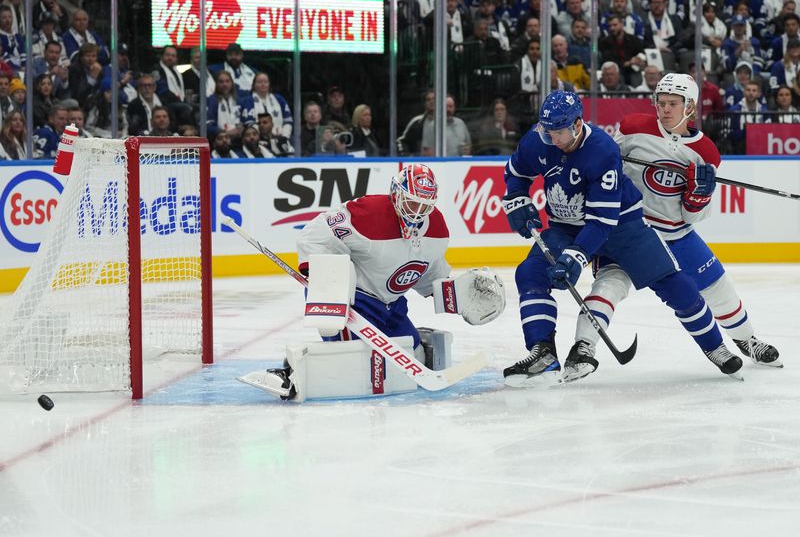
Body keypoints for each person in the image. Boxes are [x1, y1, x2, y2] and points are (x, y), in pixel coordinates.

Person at [501, 90, 744, 385]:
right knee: (529, 274)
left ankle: (714, 346)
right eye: (547, 131)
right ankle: (543, 351)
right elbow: (516, 172)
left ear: (577, 124)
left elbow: (602, 222)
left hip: (621, 225)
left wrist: (576, 256)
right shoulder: (538, 139)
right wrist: (517, 198)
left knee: (673, 282)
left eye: (560, 133)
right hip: (564, 226)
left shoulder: (601, 151)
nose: (553, 140)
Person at [569, 73, 782, 377]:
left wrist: (699, 195)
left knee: (719, 287)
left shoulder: (706, 152)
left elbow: (692, 216)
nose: (664, 109)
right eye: (661, 102)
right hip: (630, 230)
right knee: (609, 284)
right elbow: (606, 164)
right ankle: (583, 346)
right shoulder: (633, 128)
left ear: (690, 107)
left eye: (672, 104)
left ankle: (747, 340)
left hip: (675, 233)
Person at [238, 163, 506, 401]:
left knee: (411, 356)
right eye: (413, 203)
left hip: (392, 305)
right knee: (354, 361)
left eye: (425, 206)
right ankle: (289, 371)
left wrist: (455, 296)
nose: (418, 212)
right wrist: (325, 278)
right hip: (355, 302)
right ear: (397, 194)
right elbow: (314, 235)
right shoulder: (367, 213)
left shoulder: (437, 228)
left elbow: (428, 274)